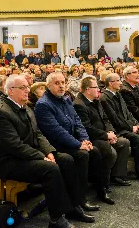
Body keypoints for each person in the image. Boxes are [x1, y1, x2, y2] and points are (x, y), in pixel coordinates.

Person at [0, 75, 91, 228]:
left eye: (27, 87)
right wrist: (42, 157)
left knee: (66, 160)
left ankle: (73, 206)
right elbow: (15, 146)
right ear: (10, 91)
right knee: (50, 169)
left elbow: (38, 134)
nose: (27, 90)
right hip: (8, 161)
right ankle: (56, 219)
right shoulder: (1, 113)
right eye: (22, 88)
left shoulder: (25, 107)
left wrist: (49, 151)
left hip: (26, 155)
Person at [35, 72, 100, 214]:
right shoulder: (43, 104)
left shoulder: (66, 99)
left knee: (94, 151)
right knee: (78, 156)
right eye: (57, 83)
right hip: (55, 145)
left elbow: (78, 122)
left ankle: (85, 195)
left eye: (63, 82)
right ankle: (76, 203)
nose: (61, 86)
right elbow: (56, 131)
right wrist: (78, 144)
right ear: (48, 86)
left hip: (70, 141)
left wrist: (84, 139)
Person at [74, 76, 131, 204]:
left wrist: (110, 132)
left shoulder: (95, 100)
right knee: (109, 152)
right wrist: (105, 136)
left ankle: (115, 176)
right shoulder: (79, 105)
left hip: (103, 134)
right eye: (96, 88)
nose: (99, 90)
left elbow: (105, 119)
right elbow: (87, 128)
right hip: (91, 138)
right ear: (88, 90)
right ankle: (102, 186)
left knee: (124, 142)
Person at [100, 73, 139, 182]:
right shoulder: (105, 98)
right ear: (111, 83)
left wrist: (136, 124)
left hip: (127, 126)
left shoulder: (117, 94)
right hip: (118, 129)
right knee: (137, 139)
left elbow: (128, 113)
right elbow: (114, 119)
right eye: (118, 80)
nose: (121, 82)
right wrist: (131, 127)